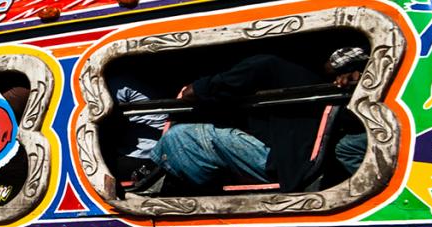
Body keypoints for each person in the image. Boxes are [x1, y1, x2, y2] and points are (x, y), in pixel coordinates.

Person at [139, 47, 370, 193]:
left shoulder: (262, 64)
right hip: (299, 158)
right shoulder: (298, 71)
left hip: (281, 163)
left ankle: (154, 182)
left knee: (180, 136)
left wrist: (195, 87)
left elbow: (194, 92)